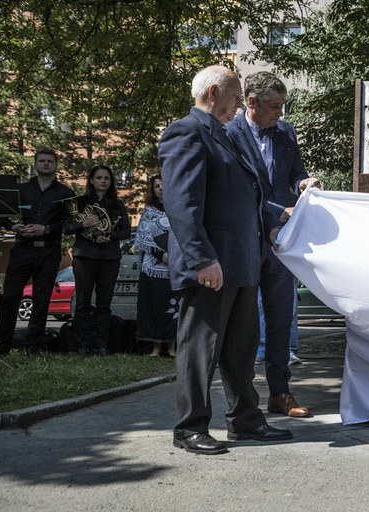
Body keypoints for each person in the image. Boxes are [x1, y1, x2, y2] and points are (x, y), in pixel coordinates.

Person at [159, 64, 290, 456]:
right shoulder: (187, 132)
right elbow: (182, 204)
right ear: (214, 93)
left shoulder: (223, 136)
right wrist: (202, 260)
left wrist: (270, 225)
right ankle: (191, 427)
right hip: (211, 267)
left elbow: (244, 194)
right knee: (201, 349)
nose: (238, 106)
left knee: (240, 350)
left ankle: (246, 421)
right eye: (235, 97)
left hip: (241, 262)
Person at [226, 71, 319, 419]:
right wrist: (278, 212)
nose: (279, 113)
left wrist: (304, 183)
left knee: (282, 316)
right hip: (247, 236)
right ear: (251, 103)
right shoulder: (228, 133)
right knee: (246, 320)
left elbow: (294, 173)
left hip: (282, 241)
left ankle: (280, 392)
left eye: (282, 106)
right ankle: (243, 396)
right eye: (274, 107)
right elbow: (238, 191)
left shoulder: (286, 132)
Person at [0, 149, 75, 356]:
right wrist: (14, 227)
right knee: (10, 296)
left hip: (49, 251)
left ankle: (33, 347)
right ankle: (3, 345)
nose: (45, 164)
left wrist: (46, 229)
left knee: (41, 299)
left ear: (56, 165)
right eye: (42, 161)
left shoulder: (65, 193)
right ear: (35, 164)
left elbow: (71, 223)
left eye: (49, 161)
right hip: (22, 248)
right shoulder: (20, 190)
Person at [64, 165, 131, 356]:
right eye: (99, 177)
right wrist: (83, 224)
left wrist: (111, 235)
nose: (103, 181)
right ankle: (82, 345)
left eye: (107, 178)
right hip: (85, 255)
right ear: (91, 180)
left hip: (109, 256)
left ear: (111, 182)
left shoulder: (118, 205)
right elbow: (67, 228)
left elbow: (126, 230)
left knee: (104, 303)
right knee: (83, 302)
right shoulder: (80, 203)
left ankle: (100, 344)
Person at [134, 174, 177, 357]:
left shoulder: (178, 210)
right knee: (154, 307)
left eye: (164, 185)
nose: (160, 188)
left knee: (173, 307)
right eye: (157, 186)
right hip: (153, 268)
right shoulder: (149, 211)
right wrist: (161, 254)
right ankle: (156, 348)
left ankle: (172, 347)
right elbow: (142, 237)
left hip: (175, 268)